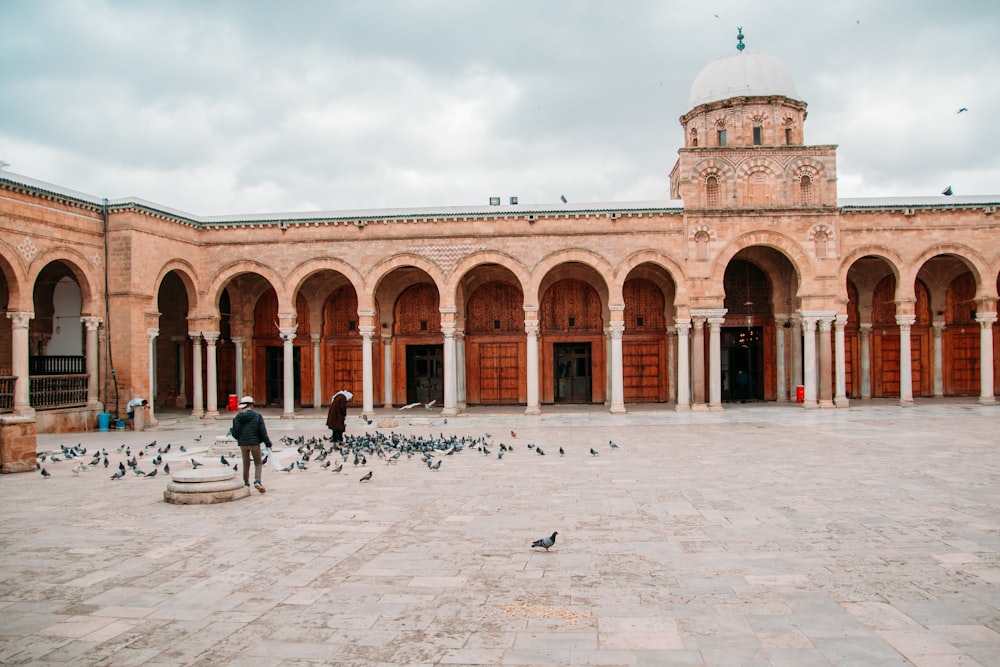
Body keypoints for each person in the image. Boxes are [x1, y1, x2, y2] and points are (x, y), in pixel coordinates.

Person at [231, 396, 271, 493]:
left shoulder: (237, 417)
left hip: (243, 443)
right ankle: (257, 481)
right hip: (254, 442)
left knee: (246, 463)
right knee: (258, 462)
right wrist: (267, 443)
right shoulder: (257, 416)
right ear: (251, 405)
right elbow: (262, 431)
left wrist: (240, 439)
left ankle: (246, 483)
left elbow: (234, 433)